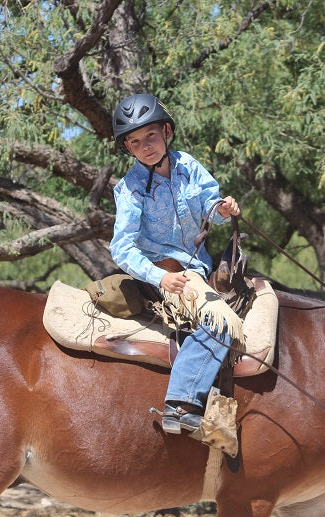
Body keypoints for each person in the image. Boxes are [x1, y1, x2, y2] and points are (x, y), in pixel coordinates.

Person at [109, 93, 241, 435]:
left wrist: (223, 210)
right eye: (135, 142)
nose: (145, 146)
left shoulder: (189, 166)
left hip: (198, 270)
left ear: (166, 131)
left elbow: (210, 207)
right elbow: (121, 248)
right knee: (223, 322)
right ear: (128, 148)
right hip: (163, 272)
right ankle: (179, 405)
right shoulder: (129, 190)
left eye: (150, 136)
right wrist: (160, 277)